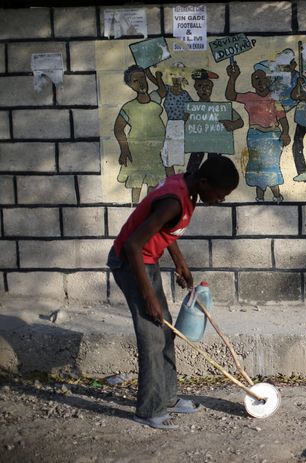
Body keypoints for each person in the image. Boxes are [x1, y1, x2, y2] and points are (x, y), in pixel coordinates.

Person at [107, 156, 240, 430]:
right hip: (130, 263)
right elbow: (133, 245)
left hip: (146, 261)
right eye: (219, 194)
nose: (220, 200)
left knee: (165, 331)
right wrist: (148, 297)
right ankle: (148, 410)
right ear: (204, 183)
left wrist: (180, 261)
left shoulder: (187, 185)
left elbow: (164, 231)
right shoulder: (173, 201)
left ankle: (167, 397)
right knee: (152, 336)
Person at [225, 61, 290, 203]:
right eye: (256, 79)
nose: (260, 82)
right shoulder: (249, 97)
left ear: (269, 80)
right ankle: (260, 197)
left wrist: (285, 133)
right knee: (257, 166)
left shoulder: (274, 98)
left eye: (263, 79)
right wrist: (233, 77)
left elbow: (283, 118)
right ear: (253, 83)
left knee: (272, 165)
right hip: (255, 135)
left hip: (273, 136)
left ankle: (276, 196)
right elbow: (230, 96)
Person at [114, 65, 166, 204]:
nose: (141, 82)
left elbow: (163, 90)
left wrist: (154, 75)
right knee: (136, 183)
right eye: (135, 80)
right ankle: (135, 209)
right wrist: (124, 149)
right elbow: (118, 129)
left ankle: (149, 208)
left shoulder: (155, 98)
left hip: (155, 152)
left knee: (154, 182)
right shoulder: (128, 107)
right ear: (131, 86)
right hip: (136, 151)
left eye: (142, 78)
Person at [185, 69, 244, 175]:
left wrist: (231, 125)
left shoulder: (220, 108)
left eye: (207, 86)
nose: (204, 89)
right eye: (200, 86)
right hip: (198, 144)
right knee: (191, 170)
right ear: (196, 89)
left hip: (215, 144)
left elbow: (240, 122)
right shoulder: (191, 108)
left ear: (211, 88)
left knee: (214, 169)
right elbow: (181, 123)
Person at [147, 63, 193, 177]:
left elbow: (191, 108)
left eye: (179, 76)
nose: (176, 80)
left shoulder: (185, 95)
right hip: (170, 125)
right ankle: (172, 181)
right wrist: (150, 71)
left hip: (180, 126)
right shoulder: (167, 90)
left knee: (170, 158)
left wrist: (184, 122)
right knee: (167, 158)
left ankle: (174, 181)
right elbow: (155, 80)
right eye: (173, 75)